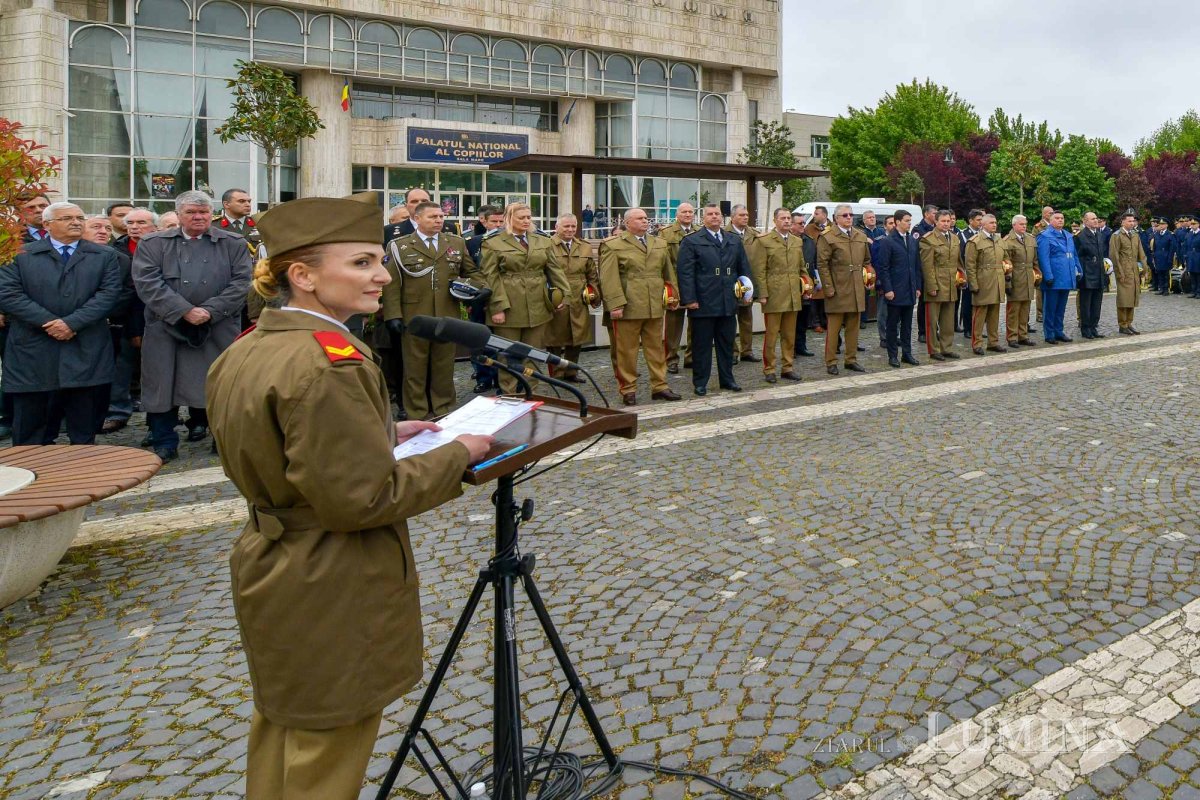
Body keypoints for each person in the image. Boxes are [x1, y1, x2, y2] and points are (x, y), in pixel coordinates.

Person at [205, 194, 493, 800]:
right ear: (303, 276)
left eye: (377, 261)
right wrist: (459, 453)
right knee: (326, 756)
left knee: (285, 728)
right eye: (361, 263)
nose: (382, 275)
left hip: (273, 563)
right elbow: (361, 498)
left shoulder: (252, 346)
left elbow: (282, 442)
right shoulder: (329, 363)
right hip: (330, 576)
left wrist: (380, 433)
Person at [132, 190, 253, 461]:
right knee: (162, 385)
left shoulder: (233, 243)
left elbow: (242, 282)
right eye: (191, 212)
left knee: (220, 384)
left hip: (218, 326)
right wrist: (184, 310)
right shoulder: (153, 243)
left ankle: (221, 438)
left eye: (203, 212)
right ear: (178, 215)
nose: (198, 217)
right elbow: (147, 282)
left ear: (212, 213)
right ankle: (164, 441)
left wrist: (210, 311)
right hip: (167, 326)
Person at [0, 202, 124, 445]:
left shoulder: (104, 255)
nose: (76, 222)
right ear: (47, 225)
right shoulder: (20, 254)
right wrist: (49, 322)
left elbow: (109, 294)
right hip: (33, 346)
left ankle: (81, 465)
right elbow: (8, 293)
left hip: (84, 343)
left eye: (79, 218)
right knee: (31, 424)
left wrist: (72, 323)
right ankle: (31, 463)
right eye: (67, 218)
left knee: (83, 420)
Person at [382, 201, 469, 420]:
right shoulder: (400, 246)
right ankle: (416, 412)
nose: (439, 220)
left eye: (441, 216)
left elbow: (472, 272)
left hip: (446, 314)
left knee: (444, 366)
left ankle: (444, 409)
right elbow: (391, 284)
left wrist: (475, 289)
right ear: (417, 219)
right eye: (433, 217)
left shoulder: (456, 242)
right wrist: (393, 315)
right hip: (414, 316)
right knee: (414, 368)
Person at [479, 202, 569, 395]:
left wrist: (563, 295)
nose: (526, 221)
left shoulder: (542, 241)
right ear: (509, 219)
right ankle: (509, 394)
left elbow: (555, 270)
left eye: (529, 217)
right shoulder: (493, 242)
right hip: (509, 303)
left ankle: (531, 392)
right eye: (521, 218)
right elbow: (490, 277)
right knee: (508, 353)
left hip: (538, 304)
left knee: (534, 352)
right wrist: (497, 307)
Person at [598, 208, 680, 404]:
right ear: (627, 223)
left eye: (646, 218)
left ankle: (660, 386)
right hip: (629, 305)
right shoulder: (612, 245)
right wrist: (615, 304)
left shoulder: (659, 243)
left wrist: (673, 296)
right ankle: (628, 389)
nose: (645, 221)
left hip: (654, 304)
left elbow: (668, 273)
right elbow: (609, 278)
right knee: (627, 351)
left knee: (656, 348)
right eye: (640, 218)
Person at [677, 203, 750, 395]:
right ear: (703, 218)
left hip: (728, 300)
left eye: (717, 213)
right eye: (710, 214)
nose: (714, 217)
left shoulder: (733, 240)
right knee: (701, 345)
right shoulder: (692, 241)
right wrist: (689, 299)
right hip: (703, 302)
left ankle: (727, 379)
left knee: (726, 344)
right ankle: (700, 382)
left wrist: (747, 292)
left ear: (722, 217)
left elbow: (743, 268)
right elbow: (685, 273)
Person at [102, 208, 155, 433]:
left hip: (157, 315)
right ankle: (118, 412)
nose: (134, 227)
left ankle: (157, 417)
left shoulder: (162, 248)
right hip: (124, 318)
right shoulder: (117, 251)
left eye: (141, 223)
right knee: (121, 368)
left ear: (154, 227)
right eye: (130, 223)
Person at [750, 207, 805, 383]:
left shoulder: (797, 241)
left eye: (789, 218)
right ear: (775, 221)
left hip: (793, 293)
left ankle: (787, 367)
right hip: (774, 294)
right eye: (783, 218)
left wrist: (807, 285)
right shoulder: (764, 241)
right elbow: (759, 271)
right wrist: (762, 294)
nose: (787, 221)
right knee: (772, 335)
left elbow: (801, 267)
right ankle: (770, 368)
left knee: (789, 335)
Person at [817, 204, 872, 375]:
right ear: (836, 218)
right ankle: (831, 361)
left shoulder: (860, 236)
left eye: (851, 215)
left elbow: (867, 261)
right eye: (845, 215)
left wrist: (869, 277)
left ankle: (851, 359)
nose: (849, 218)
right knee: (834, 329)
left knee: (853, 328)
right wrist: (828, 288)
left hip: (856, 288)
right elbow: (822, 265)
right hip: (838, 288)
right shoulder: (827, 237)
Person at [544, 213, 598, 383]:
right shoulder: (546, 245)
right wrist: (548, 298)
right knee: (554, 338)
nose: (570, 229)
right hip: (556, 295)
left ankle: (571, 372)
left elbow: (592, 274)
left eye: (573, 226)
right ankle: (556, 374)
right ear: (556, 227)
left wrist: (595, 295)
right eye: (566, 226)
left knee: (577, 337)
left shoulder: (584, 247)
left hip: (579, 297)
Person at [873, 209, 921, 367]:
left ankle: (907, 354)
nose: (909, 223)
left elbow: (916, 266)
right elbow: (883, 267)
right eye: (907, 221)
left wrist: (917, 286)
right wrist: (887, 289)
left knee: (907, 326)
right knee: (892, 325)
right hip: (894, 290)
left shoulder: (912, 240)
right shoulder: (888, 241)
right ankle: (892, 355)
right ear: (898, 221)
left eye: (910, 221)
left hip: (909, 290)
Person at [465, 205, 504, 393]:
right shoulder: (473, 242)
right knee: (480, 341)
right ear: (485, 222)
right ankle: (483, 378)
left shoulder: (510, 242)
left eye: (501, 221)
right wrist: (469, 301)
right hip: (480, 298)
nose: (498, 225)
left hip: (503, 298)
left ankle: (502, 378)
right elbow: (468, 271)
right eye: (494, 221)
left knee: (502, 341)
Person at [657, 203, 698, 373]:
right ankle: (671, 359)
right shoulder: (666, 233)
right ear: (677, 214)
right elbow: (662, 260)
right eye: (684, 212)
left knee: (696, 323)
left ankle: (692, 357)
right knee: (673, 325)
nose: (687, 214)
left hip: (696, 283)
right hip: (675, 282)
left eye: (690, 212)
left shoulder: (699, 231)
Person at [919, 210, 962, 362]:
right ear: (936, 222)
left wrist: (962, 276)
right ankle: (934, 349)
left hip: (951, 283)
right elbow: (927, 266)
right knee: (932, 320)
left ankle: (947, 348)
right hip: (936, 282)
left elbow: (958, 261)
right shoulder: (928, 239)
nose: (946, 224)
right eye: (943, 221)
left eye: (948, 221)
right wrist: (931, 286)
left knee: (948, 320)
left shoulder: (955, 238)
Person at [963, 214, 1007, 355]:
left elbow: (1006, 259)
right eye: (991, 223)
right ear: (983, 224)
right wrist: (973, 284)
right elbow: (970, 265)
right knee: (979, 315)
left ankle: (993, 342)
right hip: (983, 281)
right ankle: (977, 344)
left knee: (994, 314)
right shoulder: (975, 241)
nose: (994, 225)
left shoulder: (999, 240)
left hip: (997, 281)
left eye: (995, 222)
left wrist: (1007, 275)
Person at [1036, 211, 1079, 344]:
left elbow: (1074, 255)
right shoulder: (1045, 236)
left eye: (1062, 218)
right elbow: (1043, 258)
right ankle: (1049, 333)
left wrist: (1078, 269)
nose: (1060, 220)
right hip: (1053, 277)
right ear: (1050, 220)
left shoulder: (1068, 235)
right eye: (1057, 218)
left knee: (1061, 307)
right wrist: (1048, 275)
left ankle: (1059, 331)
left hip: (1066, 276)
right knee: (1050, 308)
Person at [726, 204, 760, 363]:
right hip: (730, 282)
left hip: (748, 281)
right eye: (741, 215)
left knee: (746, 318)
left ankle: (747, 351)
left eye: (746, 215)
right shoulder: (724, 233)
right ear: (732, 217)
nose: (745, 217)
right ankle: (732, 352)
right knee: (730, 320)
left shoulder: (754, 234)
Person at [1002, 214, 1039, 347]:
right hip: (1015, 278)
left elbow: (1035, 261)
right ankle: (1012, 337)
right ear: (1014, 225)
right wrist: (1008, 283)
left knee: (1025, 309)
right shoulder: (1008, 241)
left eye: (1025, 224)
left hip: (1028, 277)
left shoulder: (1030, 239)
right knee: (1014, 310)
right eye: (1021, 224)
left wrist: (1037, 275)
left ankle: (1023, 335)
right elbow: (1006, 264)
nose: (1024, 226)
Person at [1109, 212, 1147, 335]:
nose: (1132, 223)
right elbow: (1114, 256)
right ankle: (1122, 324)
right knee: (1123, 298)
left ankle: (1129, 323)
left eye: (1133, 221)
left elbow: (1141, 253)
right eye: (1129, 221)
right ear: (1123, 222)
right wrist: (1119, 273)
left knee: (1132, 298)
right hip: (1124, 271)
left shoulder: (1135, 235)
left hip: (1134, 271)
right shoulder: (1116, 235)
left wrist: (1144, 268)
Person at [1074, 211, 1107, 339]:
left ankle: (1093, 327)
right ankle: (1086, 328)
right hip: (1087, 274)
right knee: (1086, 304)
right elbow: (1078, 257)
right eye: (1092, 219)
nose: (1095, 220)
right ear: (1085, 221)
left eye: (1096, 218)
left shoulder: (1099, 234)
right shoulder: (1080, 236)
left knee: (1096, 303)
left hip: (1099, 273)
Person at [385, 188, 457, 243]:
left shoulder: (450, 228)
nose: (420, 204)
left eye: (424, 201)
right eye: (414, 201)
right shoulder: (389, 231)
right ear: (406, 206)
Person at [791, 212, 817, 358]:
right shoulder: (789, 241)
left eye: (804, 223)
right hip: (792, 284)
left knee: (803, 318)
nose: (803, 225)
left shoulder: (809, 241)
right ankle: (791, 348)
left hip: (807, 285)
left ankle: (801, 345)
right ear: (792, 225)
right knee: (792, 320)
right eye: (800, 223)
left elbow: (813, 263)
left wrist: (815, 281)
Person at [913, 204, 938, 343]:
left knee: (936, 303)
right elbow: (916, 250)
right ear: (926, 214)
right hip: (923, 270)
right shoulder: (918, 229)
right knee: (924, 303)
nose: (936, 215)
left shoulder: (937, 228)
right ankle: (922, 331)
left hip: (937, 270)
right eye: (934, 213)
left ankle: (934, 329)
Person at [956, 209, 983, 336]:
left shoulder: (983, 234)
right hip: (968, 272)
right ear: (970, 221)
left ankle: (977, 328)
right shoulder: (962, 235)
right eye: (978, 220)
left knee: (980, 302)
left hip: (982, 273)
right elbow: (960, 255)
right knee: (967, 302)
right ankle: (968, 328)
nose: (980, 222)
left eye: (981, 220)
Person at [1148, 216, 1175, 295]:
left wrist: (1170, 258)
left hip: (1166, 257)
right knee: (1159, 273)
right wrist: (1154, 256)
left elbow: (1172, 248)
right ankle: (1161, 288)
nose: (1161, 225)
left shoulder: (1170, 234)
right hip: (1158, 257)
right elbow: (1154, 247)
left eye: (1163, 224)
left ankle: (1166, 289)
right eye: (1160, 224)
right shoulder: (1156, 234)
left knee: (1165, 274)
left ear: (1167, 225)